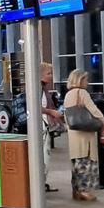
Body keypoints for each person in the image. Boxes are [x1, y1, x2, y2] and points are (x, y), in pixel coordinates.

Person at [64, 69, 104, 201]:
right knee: (86, 161)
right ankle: (84, 190)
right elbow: (94, 110)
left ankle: (76, 190)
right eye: (86, 79)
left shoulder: (68, 94)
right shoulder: (82, 93)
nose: (87, 82)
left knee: (77, 161)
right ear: (80, 80)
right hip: (85, 133)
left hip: (73, 133)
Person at [39, 62, 64, 192]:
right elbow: (36, 106)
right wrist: (51, 112)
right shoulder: (40, 89)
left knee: (44, 155)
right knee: (44, 155)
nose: (51, 76)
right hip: (42, 126)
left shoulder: (43, 89)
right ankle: (40, 183)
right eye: (48, 73)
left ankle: (41, 183)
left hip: (44, 124)